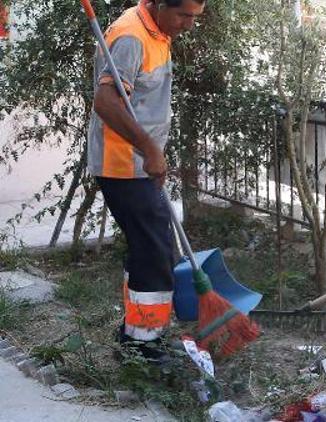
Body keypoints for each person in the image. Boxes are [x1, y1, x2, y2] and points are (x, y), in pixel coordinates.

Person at [87, 0, 205, 363]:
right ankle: (143, 345)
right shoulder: (130, 37)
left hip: (140, 163)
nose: (188, 25)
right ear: (159, 4)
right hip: (124, 165)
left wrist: (152, 152)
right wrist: (149, 149)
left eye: (194, 17)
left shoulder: (157, 29)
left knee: (147, 247)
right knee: (155, 250)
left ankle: (135, 333)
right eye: (183, 15)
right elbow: (106, 102)